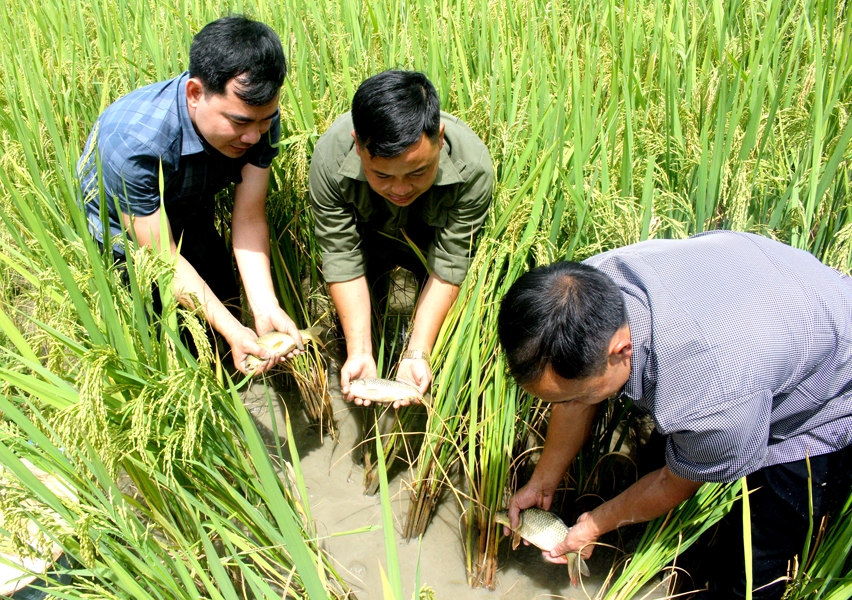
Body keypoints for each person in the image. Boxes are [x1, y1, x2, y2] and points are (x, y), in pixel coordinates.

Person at [496, 231, 852, 598]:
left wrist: (594, 525)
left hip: (832, 383)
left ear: (621, 350)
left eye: (581, 393)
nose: (572, 401)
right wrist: (543, 479)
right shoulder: (579, 292)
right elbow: (573, 398)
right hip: (762, 295)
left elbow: (674, 482)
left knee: (754, 564)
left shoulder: (712, 395)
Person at [77, 16, 301, 374]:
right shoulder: (134, 142)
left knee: (227, 314)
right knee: (167, 348)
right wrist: (230, 329)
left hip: (193, 213)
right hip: (132, 243)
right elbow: (162, 255)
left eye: (264, 121)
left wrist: (265, 306)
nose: (254, 137)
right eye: (240, 122)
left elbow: (248, 216)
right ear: (195, 93)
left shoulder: (258, 118)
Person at [309, 70, 493, 408]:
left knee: (435, 343)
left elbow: (450, 265)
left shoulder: (473, 167)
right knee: (354, 333)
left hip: (429, 245)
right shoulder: (330, 158)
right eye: (381, 175)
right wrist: (360, 349)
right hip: (369, 242)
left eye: (418, 172)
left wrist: (417, 352)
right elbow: (341, 255)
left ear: (438, 137)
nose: (400, 189)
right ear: (357, 143)